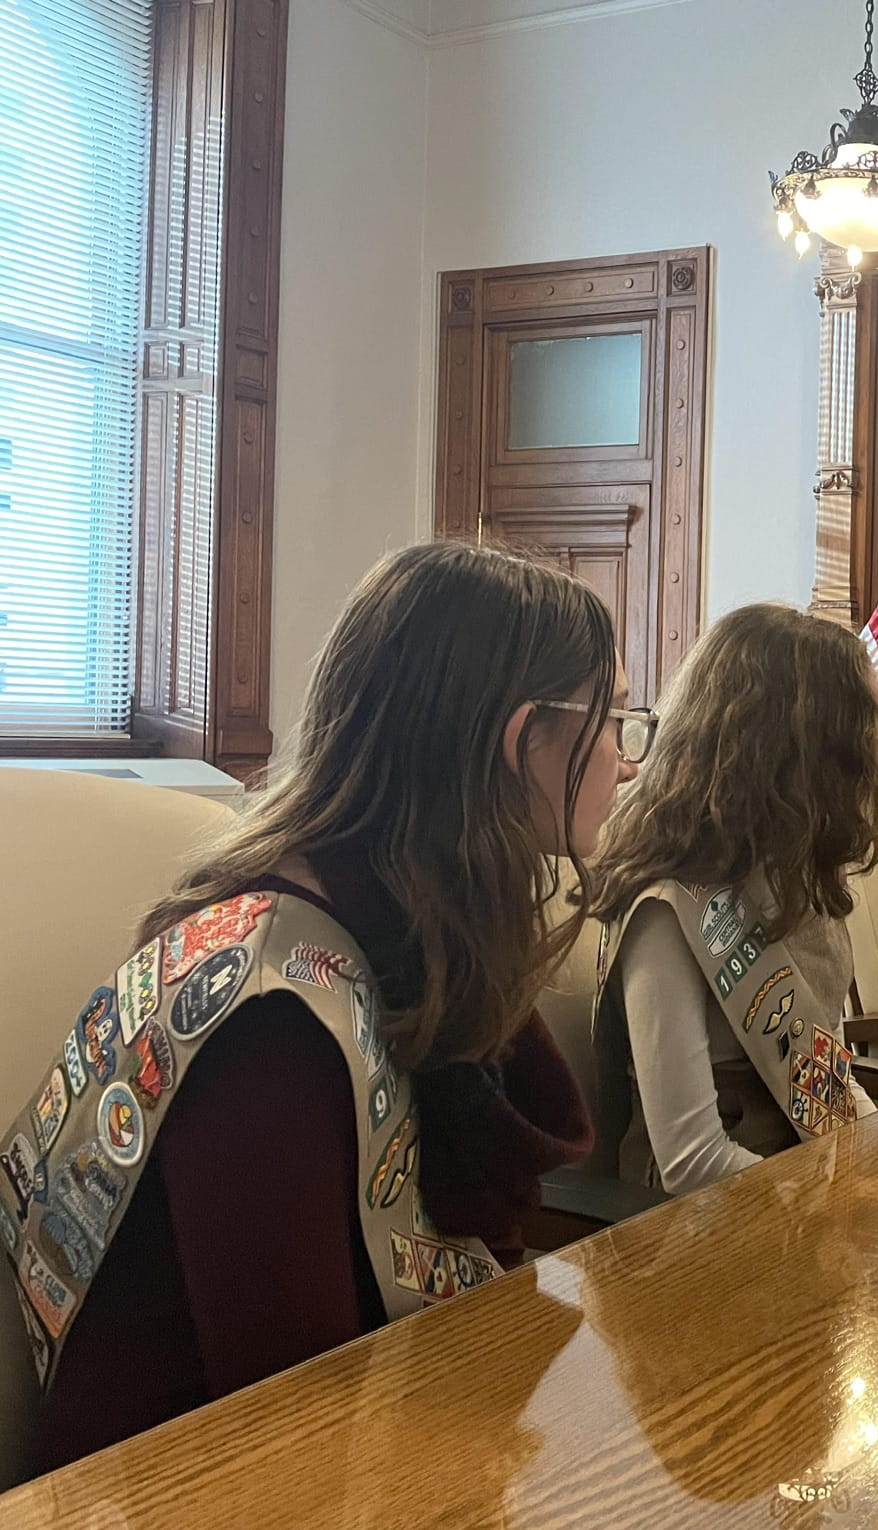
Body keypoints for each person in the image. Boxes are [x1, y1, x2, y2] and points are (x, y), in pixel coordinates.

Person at [4, 541, 641, 1471]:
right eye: (615, 720)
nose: (628, 762)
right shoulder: (269, 1012)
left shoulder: (418, 928)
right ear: (521, 741)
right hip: (180, 1490)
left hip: (379, 1435)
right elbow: (292, 1418)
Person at [585, 604, 878, 1197]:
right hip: (705, 1219)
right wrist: (834, 1203)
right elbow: (691, 1160)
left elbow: (829, 1083)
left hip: (800, 1180)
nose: (874, 758)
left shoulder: (798, 880)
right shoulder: (667, 907)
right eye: (859, 734)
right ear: (795, 755)